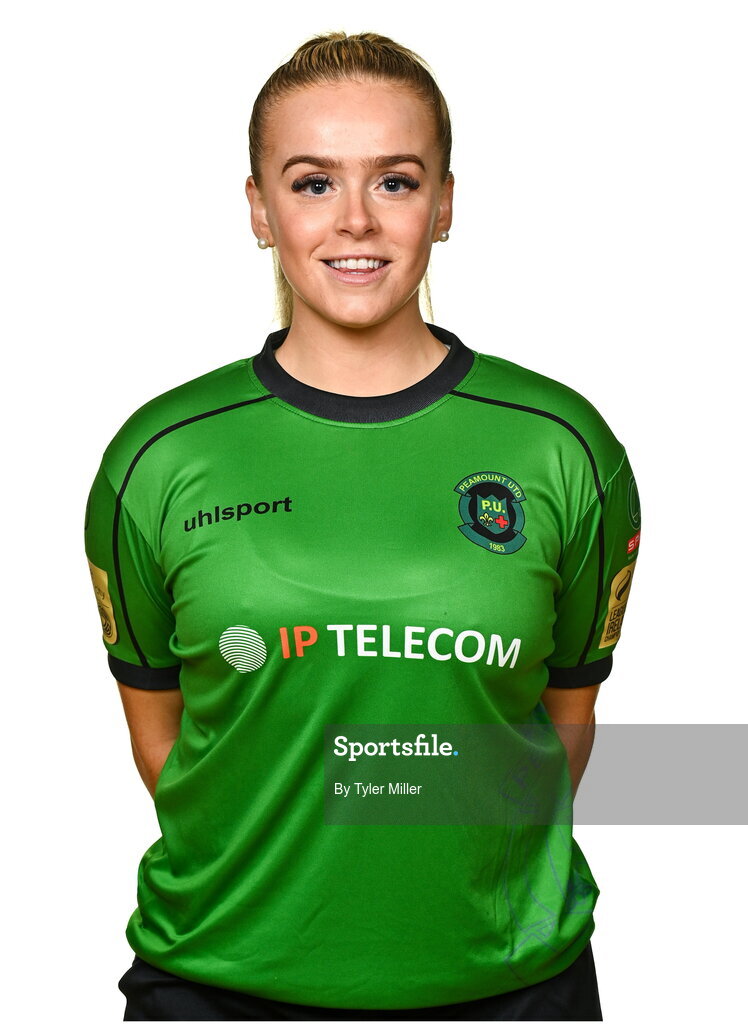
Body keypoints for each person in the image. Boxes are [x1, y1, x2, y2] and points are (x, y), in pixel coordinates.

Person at [84, 31, 641, 1022]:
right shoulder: (157, 459)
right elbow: (164, 744)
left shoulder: (564, 449)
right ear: (259, 208)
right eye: (311, 183)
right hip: (219, 987)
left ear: (444, 204)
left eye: (394, 181)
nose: (355, 220)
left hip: (510, 990)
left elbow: (562, 725)